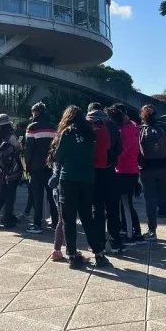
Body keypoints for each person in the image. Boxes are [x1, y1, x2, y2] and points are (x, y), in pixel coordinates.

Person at [54, 105, 111, 269]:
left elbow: (58, 155)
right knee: (87, 217)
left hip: (68, 178)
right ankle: (99, 254)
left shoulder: (67, 132)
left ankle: (72, 255)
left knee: (68, 219)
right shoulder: (90, 132)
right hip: (87, 179)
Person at [139, 104, 166, 243]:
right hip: (165, 168)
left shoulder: (140, 130)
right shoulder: (165, 128)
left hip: (146, 169)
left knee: (150, 200)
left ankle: (152, 231)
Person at [87, 102, 124, 253]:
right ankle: (115, 241)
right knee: (112, 207)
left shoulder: (85, 124)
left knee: (97, 208)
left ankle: (99, 243)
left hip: (91, 171)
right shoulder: (112, 125)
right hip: (109, 170)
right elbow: (119, 148)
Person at [110, 107, 144, 245]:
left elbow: (121, 151)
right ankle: (129, 230)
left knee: (126, 204)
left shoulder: (125, 131)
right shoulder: (133, 126)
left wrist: (111, 160)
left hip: (125, 170)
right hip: (130, 169)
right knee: (125, 203)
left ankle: (133, 235)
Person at [24, 102, 58, 234]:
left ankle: (37, 224)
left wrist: (27, 165)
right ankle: (55, 222)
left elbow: (29, 149)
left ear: (36, 113)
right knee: (52, 196)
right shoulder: (53, 127)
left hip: (36, 166)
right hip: (50, 166)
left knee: (37, 196)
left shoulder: (32, 127)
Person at [0, 115, 23, 229]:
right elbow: (19, 147)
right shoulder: (10, 136)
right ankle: (7, 219)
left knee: (2, 195)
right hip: (12, 170)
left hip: (1, 169)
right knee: (10, 195)